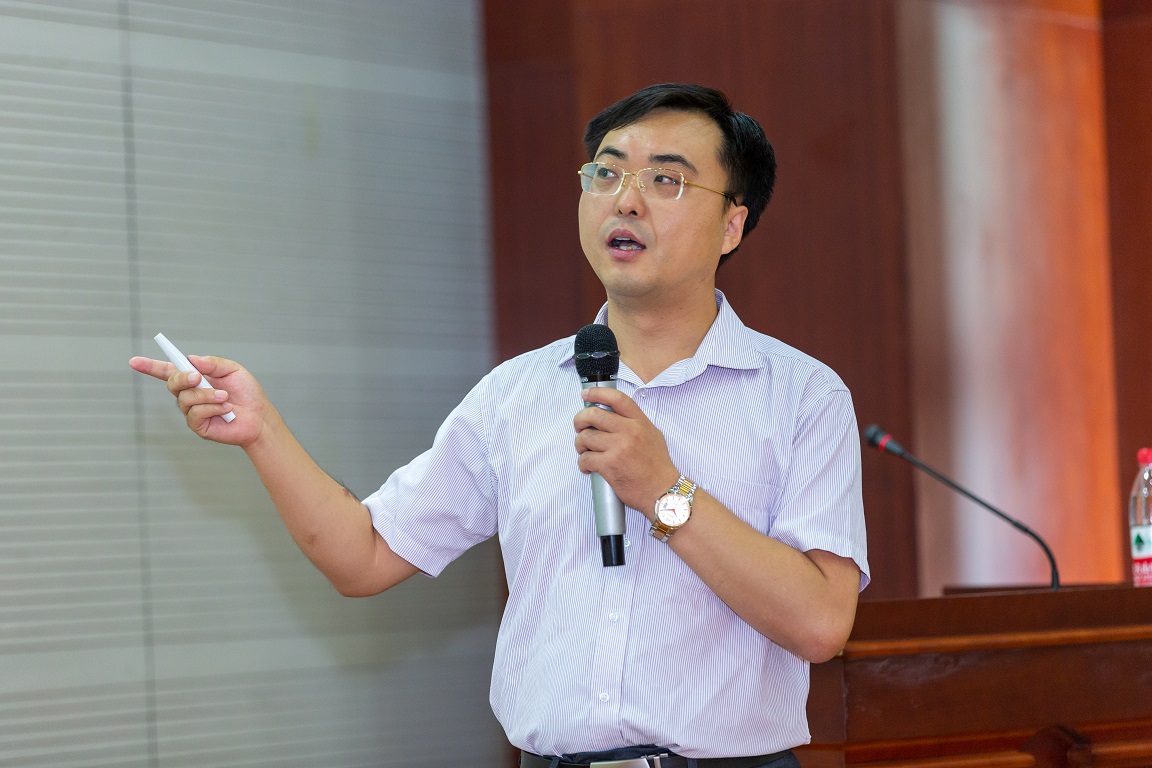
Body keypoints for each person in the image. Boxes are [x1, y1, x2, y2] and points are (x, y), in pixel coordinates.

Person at [130, 83, 869, 768]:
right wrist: (263, 433)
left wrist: (663, 492)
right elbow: (365, 556)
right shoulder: (515, 395)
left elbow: (820, 624)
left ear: (732, 224)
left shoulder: (800, 395)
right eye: (605, 174)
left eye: (665, 180)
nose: (625, 200)